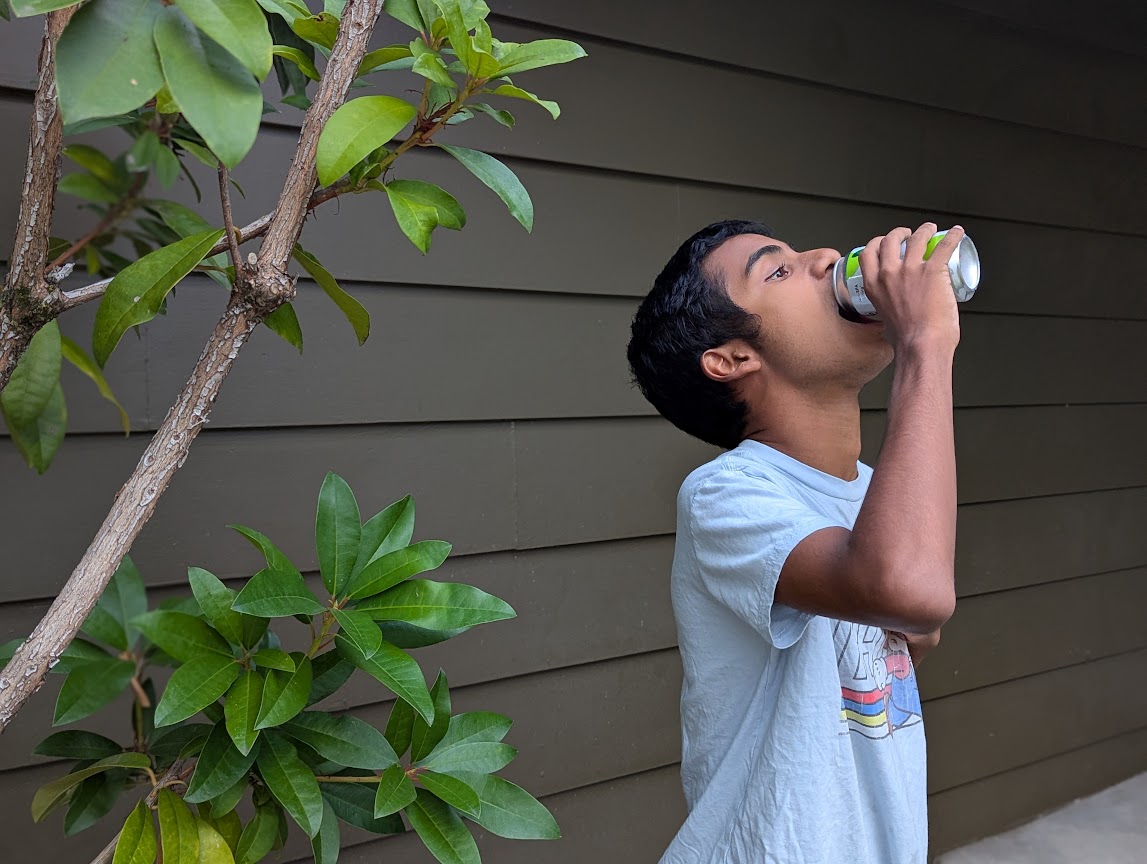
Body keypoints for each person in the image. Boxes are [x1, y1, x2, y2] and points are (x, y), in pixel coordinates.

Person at [626, 220, 963, 863]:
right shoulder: (726, 494)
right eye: (775, 271)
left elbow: (909, 631)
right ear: (732, 359)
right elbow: (911, 592)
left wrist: (907, 618)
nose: (827, 259)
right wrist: (925, 345)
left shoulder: (876, 490)